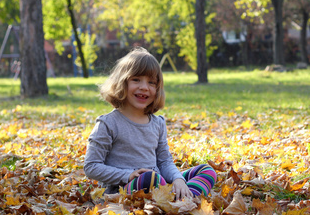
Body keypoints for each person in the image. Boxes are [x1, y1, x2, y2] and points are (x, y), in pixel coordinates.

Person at [84, 47, 216, 200]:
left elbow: (164, 161)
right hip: (124, 188)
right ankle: (175, 200)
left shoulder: (157, 123)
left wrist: (178, 179)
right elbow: (91, 166)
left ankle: (184, 199)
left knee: (207, 170)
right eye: (136, 79)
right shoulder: (108, 124)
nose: (144, 87)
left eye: (151, 82)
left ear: (157, 88)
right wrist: (128, 175)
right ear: (121, 82)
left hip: (158, 181)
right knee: (150, 178)